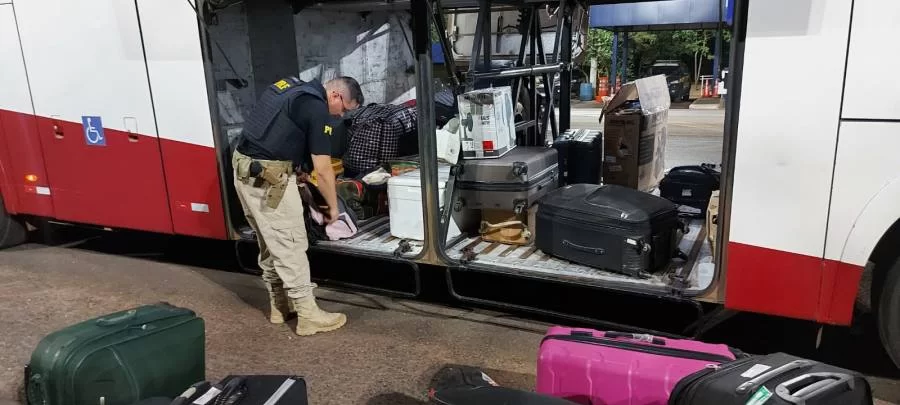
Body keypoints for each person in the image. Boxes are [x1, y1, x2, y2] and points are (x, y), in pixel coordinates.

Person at [231, 75, 363, 336]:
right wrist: (331, 209)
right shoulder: (316, 108)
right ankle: (308, 315)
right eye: (344, 110)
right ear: (336, 96)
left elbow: (276, 132)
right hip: (271, 181)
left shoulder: (290, 87)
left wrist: (297, 169)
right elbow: (324, 171)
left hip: (246, 172)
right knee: (291, 243)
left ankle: (279, 306)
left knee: (270, 243)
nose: (340, 117)